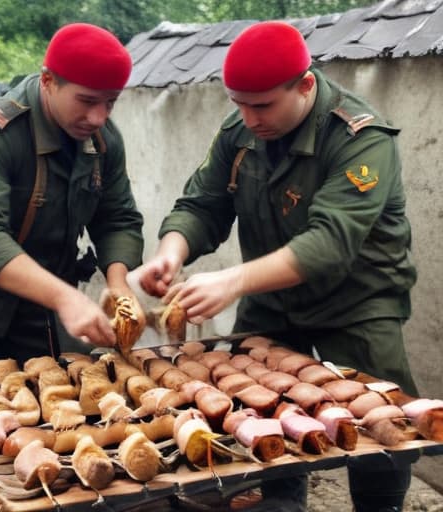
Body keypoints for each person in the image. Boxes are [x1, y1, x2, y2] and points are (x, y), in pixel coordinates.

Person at [138, 21, 418, 512]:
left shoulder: (359, 138)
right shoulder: (241, 131)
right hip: (271, 301)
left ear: (305, 85)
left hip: (357, 303)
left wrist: (233, 280)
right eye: (238, 104)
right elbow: (202, 204)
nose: (248, 118)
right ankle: (281, 503)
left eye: (262, 105)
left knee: (382, 425)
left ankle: (381, 506)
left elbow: (329, 242)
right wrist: (171, 251)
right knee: (256, 409)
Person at [0, 23, 144, 370]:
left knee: (57, 408)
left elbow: (117, 218)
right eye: (87, 101)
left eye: (111, 102)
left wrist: (119, 285)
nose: (99, 117)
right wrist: (67, 298)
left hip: (39, 313)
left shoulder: (103, 140)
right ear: (48, 81)